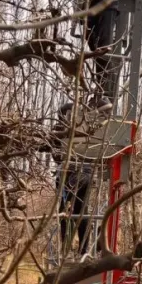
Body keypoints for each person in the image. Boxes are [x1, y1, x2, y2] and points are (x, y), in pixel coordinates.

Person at [51, 103, 94, 259]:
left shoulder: (59, 129)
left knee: (65, 210)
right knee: (81, 211)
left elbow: (56, 154)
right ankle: (83, 250)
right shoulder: (88, 127)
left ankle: (67, 250)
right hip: (85, 173)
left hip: (68, 173)